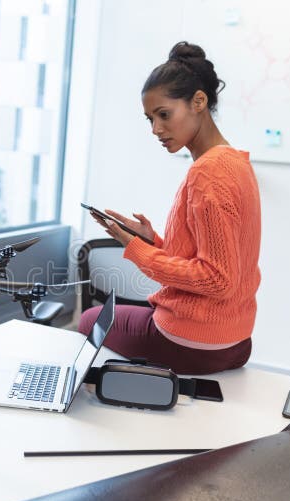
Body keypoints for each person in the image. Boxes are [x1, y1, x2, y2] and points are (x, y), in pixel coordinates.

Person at [79, 42, 261, 375]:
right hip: (236, 341)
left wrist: (137, 250)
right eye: (150, 119)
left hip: (193, 342)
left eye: (164, 115)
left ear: (198, 102)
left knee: (90, 319)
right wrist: (152, 241)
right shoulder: (236, 163)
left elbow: (217, 279)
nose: (156, 129)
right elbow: (212, 259)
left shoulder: (208, 173)